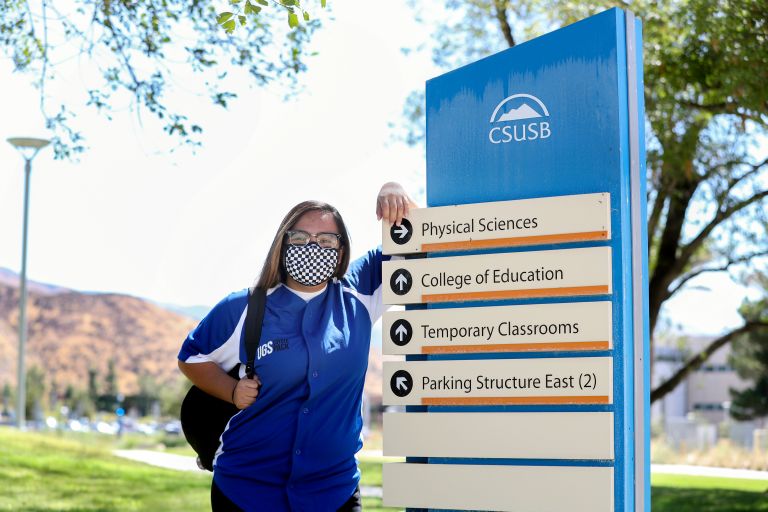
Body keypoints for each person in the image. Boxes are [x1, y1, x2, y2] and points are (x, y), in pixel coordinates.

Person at [178, 182, 416, 511]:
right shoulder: (243, 307)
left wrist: (393, 191)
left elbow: (416, 240)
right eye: (301, 238)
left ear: (342, 250)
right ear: (283, 244)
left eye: (326, 240)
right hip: (246, 493)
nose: (313, 247)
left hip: (334, 493)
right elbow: (191, 357)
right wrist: (232, 391)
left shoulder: (361, 292)